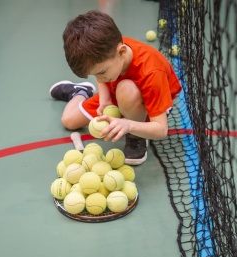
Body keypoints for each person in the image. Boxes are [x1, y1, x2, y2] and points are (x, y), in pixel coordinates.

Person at [49, 10, 181, 165]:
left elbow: (161, 130)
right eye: (95, 75)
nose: (99, 79)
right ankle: (81, 91)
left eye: (102, 72)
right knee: (68, 121)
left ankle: (136, 137)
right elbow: (102, 77)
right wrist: (104, 99)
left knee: (127, 89)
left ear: (122, 52)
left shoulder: (151, 72)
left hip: (147, 102)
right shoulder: (106, 51)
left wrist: (129, 125)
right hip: (116, 92)